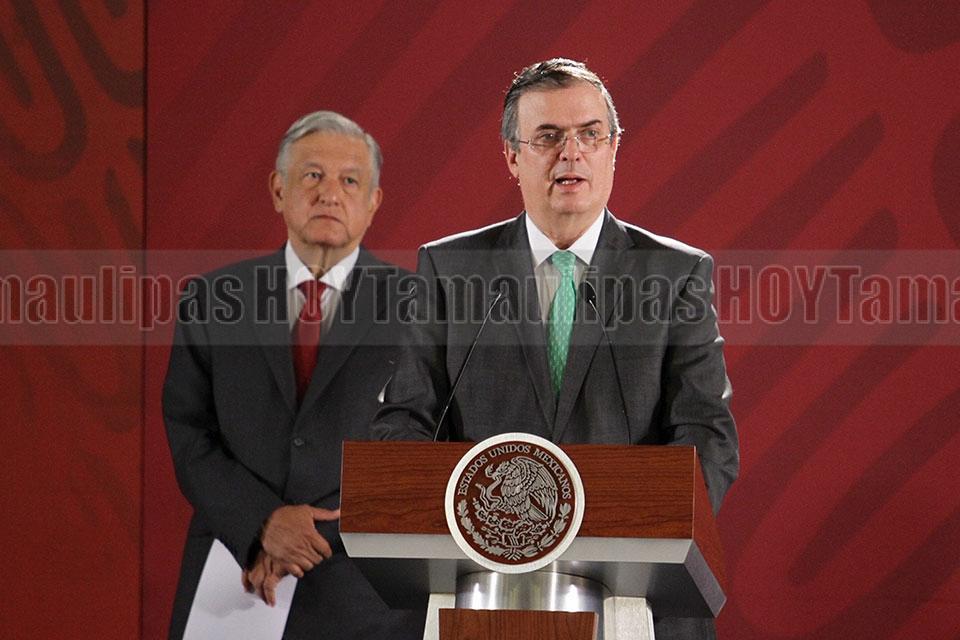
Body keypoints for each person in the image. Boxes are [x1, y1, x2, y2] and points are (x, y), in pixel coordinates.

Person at [373, 59, 739, 639]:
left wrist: (650, 529)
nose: (572, 153)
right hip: (480, 596)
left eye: (590, 134)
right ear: (512, 157)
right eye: (547, 137)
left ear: (614, 149)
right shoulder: (451, 268)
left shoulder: (675, 274)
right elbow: (403, 425)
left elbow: (707, 433)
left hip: (635, 602)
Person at [163, 111, 424, 639]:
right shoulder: (213, 299)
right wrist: (263, 523)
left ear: (373, 202)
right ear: (279, 190)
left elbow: (429, 448)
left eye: (349, 180)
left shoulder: (419, 307)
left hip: (365, 593)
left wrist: (309, 533)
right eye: (312, 175)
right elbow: (189, 433)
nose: (330, 194)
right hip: (235, 570)